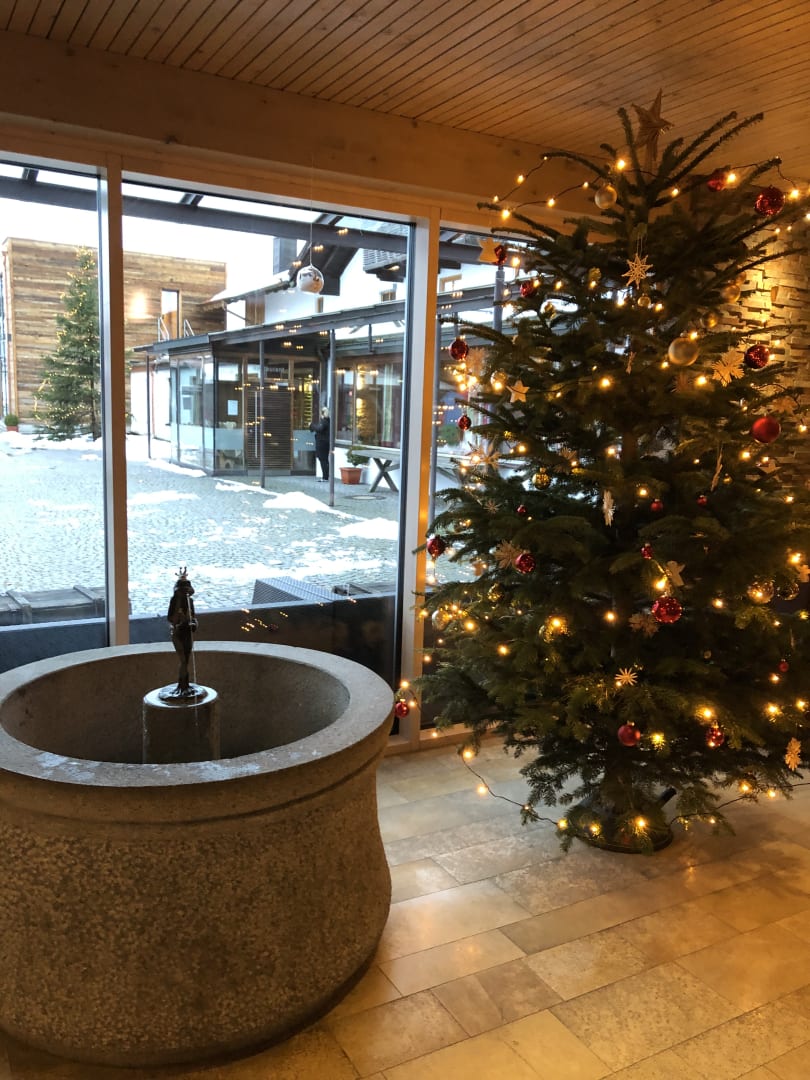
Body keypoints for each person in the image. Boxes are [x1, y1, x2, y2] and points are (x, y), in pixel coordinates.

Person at [309, 406, 330, 481]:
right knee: (324, 460)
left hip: (322, 443)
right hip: (325, 443)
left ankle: (325, 477)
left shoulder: (324, 421)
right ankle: (325, 476)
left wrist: (311, 425)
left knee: (323, 459)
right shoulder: (327, 421)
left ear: (322, 414)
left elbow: (319, 429)